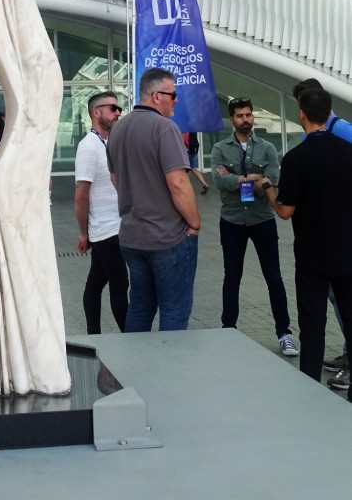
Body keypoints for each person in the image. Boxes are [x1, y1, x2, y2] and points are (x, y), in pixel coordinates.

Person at [260, 87, 352, 401]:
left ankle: (311, 392)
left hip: (312, 257)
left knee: (312, 327)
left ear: (301, 114)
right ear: (329, 113)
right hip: (347, 254)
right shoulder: (348, 151)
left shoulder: (296, 158)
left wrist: (268, 188)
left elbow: (286, 210)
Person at [107, 67, 200, 332]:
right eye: (173, 94)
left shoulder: (118, 128)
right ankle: (167, 373)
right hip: (166, 237)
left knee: (139, 306)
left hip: (132, 236)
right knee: (174, 310)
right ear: (156, 96)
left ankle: (135, 371)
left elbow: (115, 179)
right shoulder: (164, 127)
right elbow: (178, 182)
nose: (176, 100)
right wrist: (194, 223)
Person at [211, 96, 298, 357]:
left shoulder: (267, 148)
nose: (245, 120)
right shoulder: (219, 149)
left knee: (274, 277)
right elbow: (218, 180)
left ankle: (285, 333)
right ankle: (229, 329)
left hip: (262, 220)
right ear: (232, 119)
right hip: (232, 220)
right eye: (240, 116)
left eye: (248, 115)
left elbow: (273, 177)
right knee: (232, 277)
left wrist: (236, 178)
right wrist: (252, 178)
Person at [74, 91, 129, 334]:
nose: (118, 112)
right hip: (105, 230)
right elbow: (81, 194)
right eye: (113, 108)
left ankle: (93, 334)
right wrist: (83, 233)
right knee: (119, 282)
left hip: (119, 225)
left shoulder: (109, 142)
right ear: (97, 113)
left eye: (119, 108)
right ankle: (130, 336)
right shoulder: (88, 147)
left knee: (96, 282)